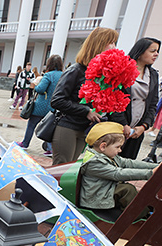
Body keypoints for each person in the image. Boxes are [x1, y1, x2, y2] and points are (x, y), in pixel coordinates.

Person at [50, 27, 119, 165]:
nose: (114, 47)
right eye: (111, 42)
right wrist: (86, 111)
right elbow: (57, 100)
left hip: (85, 129)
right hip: (67, 127)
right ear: (98, 44)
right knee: (60, 168)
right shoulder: (76, 70)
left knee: (70, 170)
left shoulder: (101, 75)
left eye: (115, 42)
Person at [80, 122, 158, 218]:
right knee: (128, 190)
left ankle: (145, 210)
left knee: (130, 189)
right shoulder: (94, 162)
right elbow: (117, 173)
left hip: (105, 189)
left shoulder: (106, 155)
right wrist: (150, 173)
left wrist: (154, 166)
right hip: (97, 199)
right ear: (103, 146)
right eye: (118, 147)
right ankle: (143, 216)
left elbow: (128, 163)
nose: (120, 150)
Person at [115, 37, 161, 159]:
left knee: (127, 164)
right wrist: (123, 124)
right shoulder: (123, 69)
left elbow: (153, 103)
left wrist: (144, 126)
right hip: (117, 126)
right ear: (140, 52)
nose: (156, 54)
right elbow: (113, 99)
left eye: (157, 51)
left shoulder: (153, 74)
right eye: (152, 51)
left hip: (137, 130)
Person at [17, 55, 63, 150]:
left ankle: (25, 144)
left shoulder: (48, 75)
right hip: (55, 106)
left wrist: (36, 85)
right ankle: (50, 149)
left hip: (41, 106)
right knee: (49, 127)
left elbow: (41, 89)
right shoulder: (63, 75)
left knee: (31, 125)